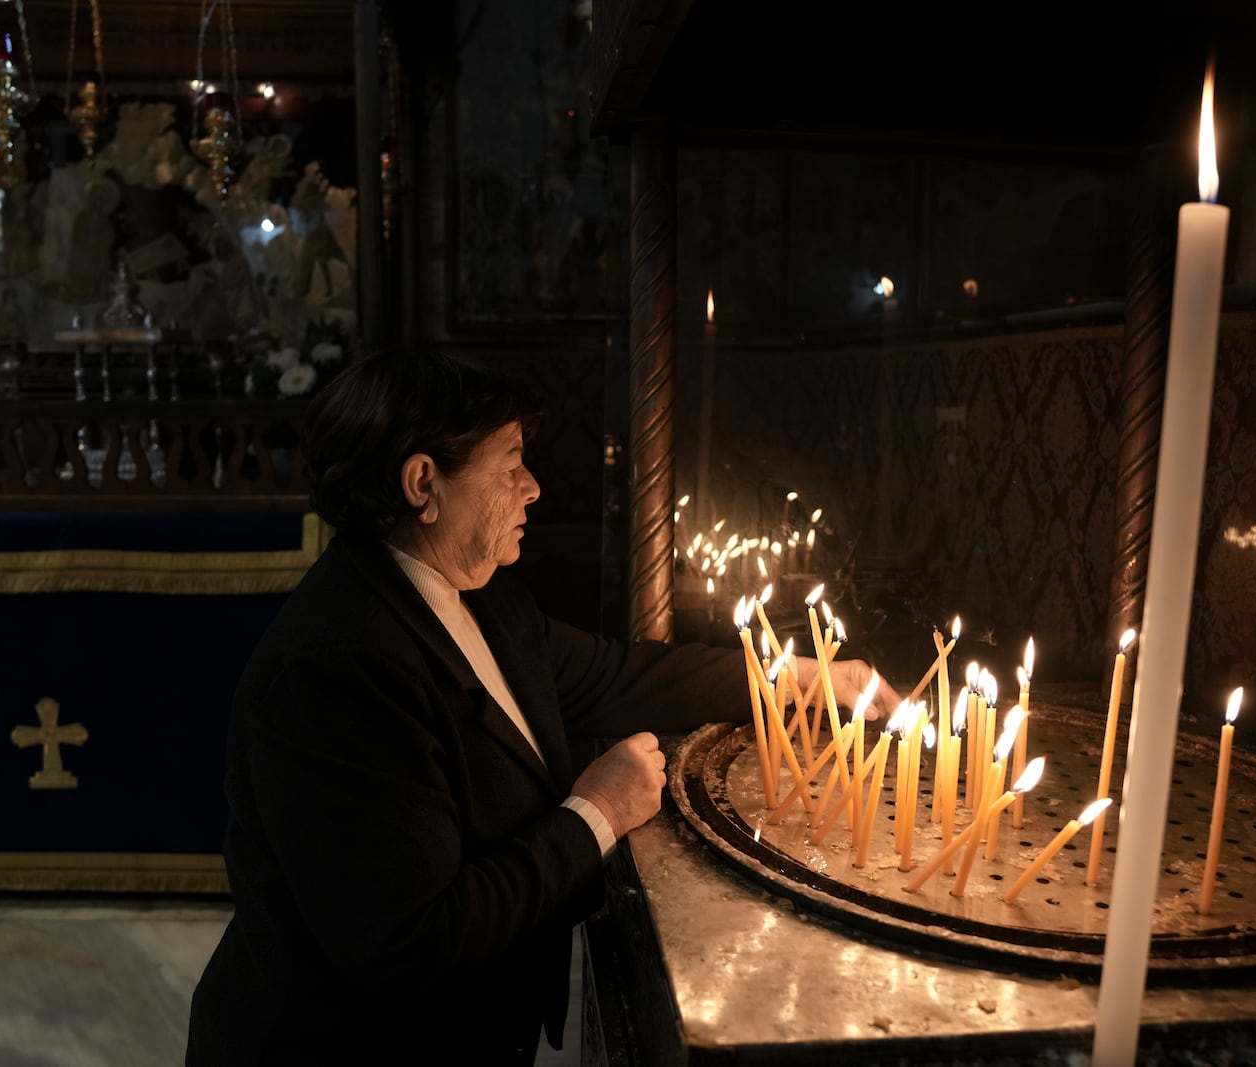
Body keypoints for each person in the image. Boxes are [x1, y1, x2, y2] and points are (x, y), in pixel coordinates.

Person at [186, 349, 898, 1065]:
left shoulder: (478, 596)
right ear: (423, 482)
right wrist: (598, 813)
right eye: (510, 462)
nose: (532, 488)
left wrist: (801, 680)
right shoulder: (338, 668)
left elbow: (621, 675)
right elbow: (415, 942)